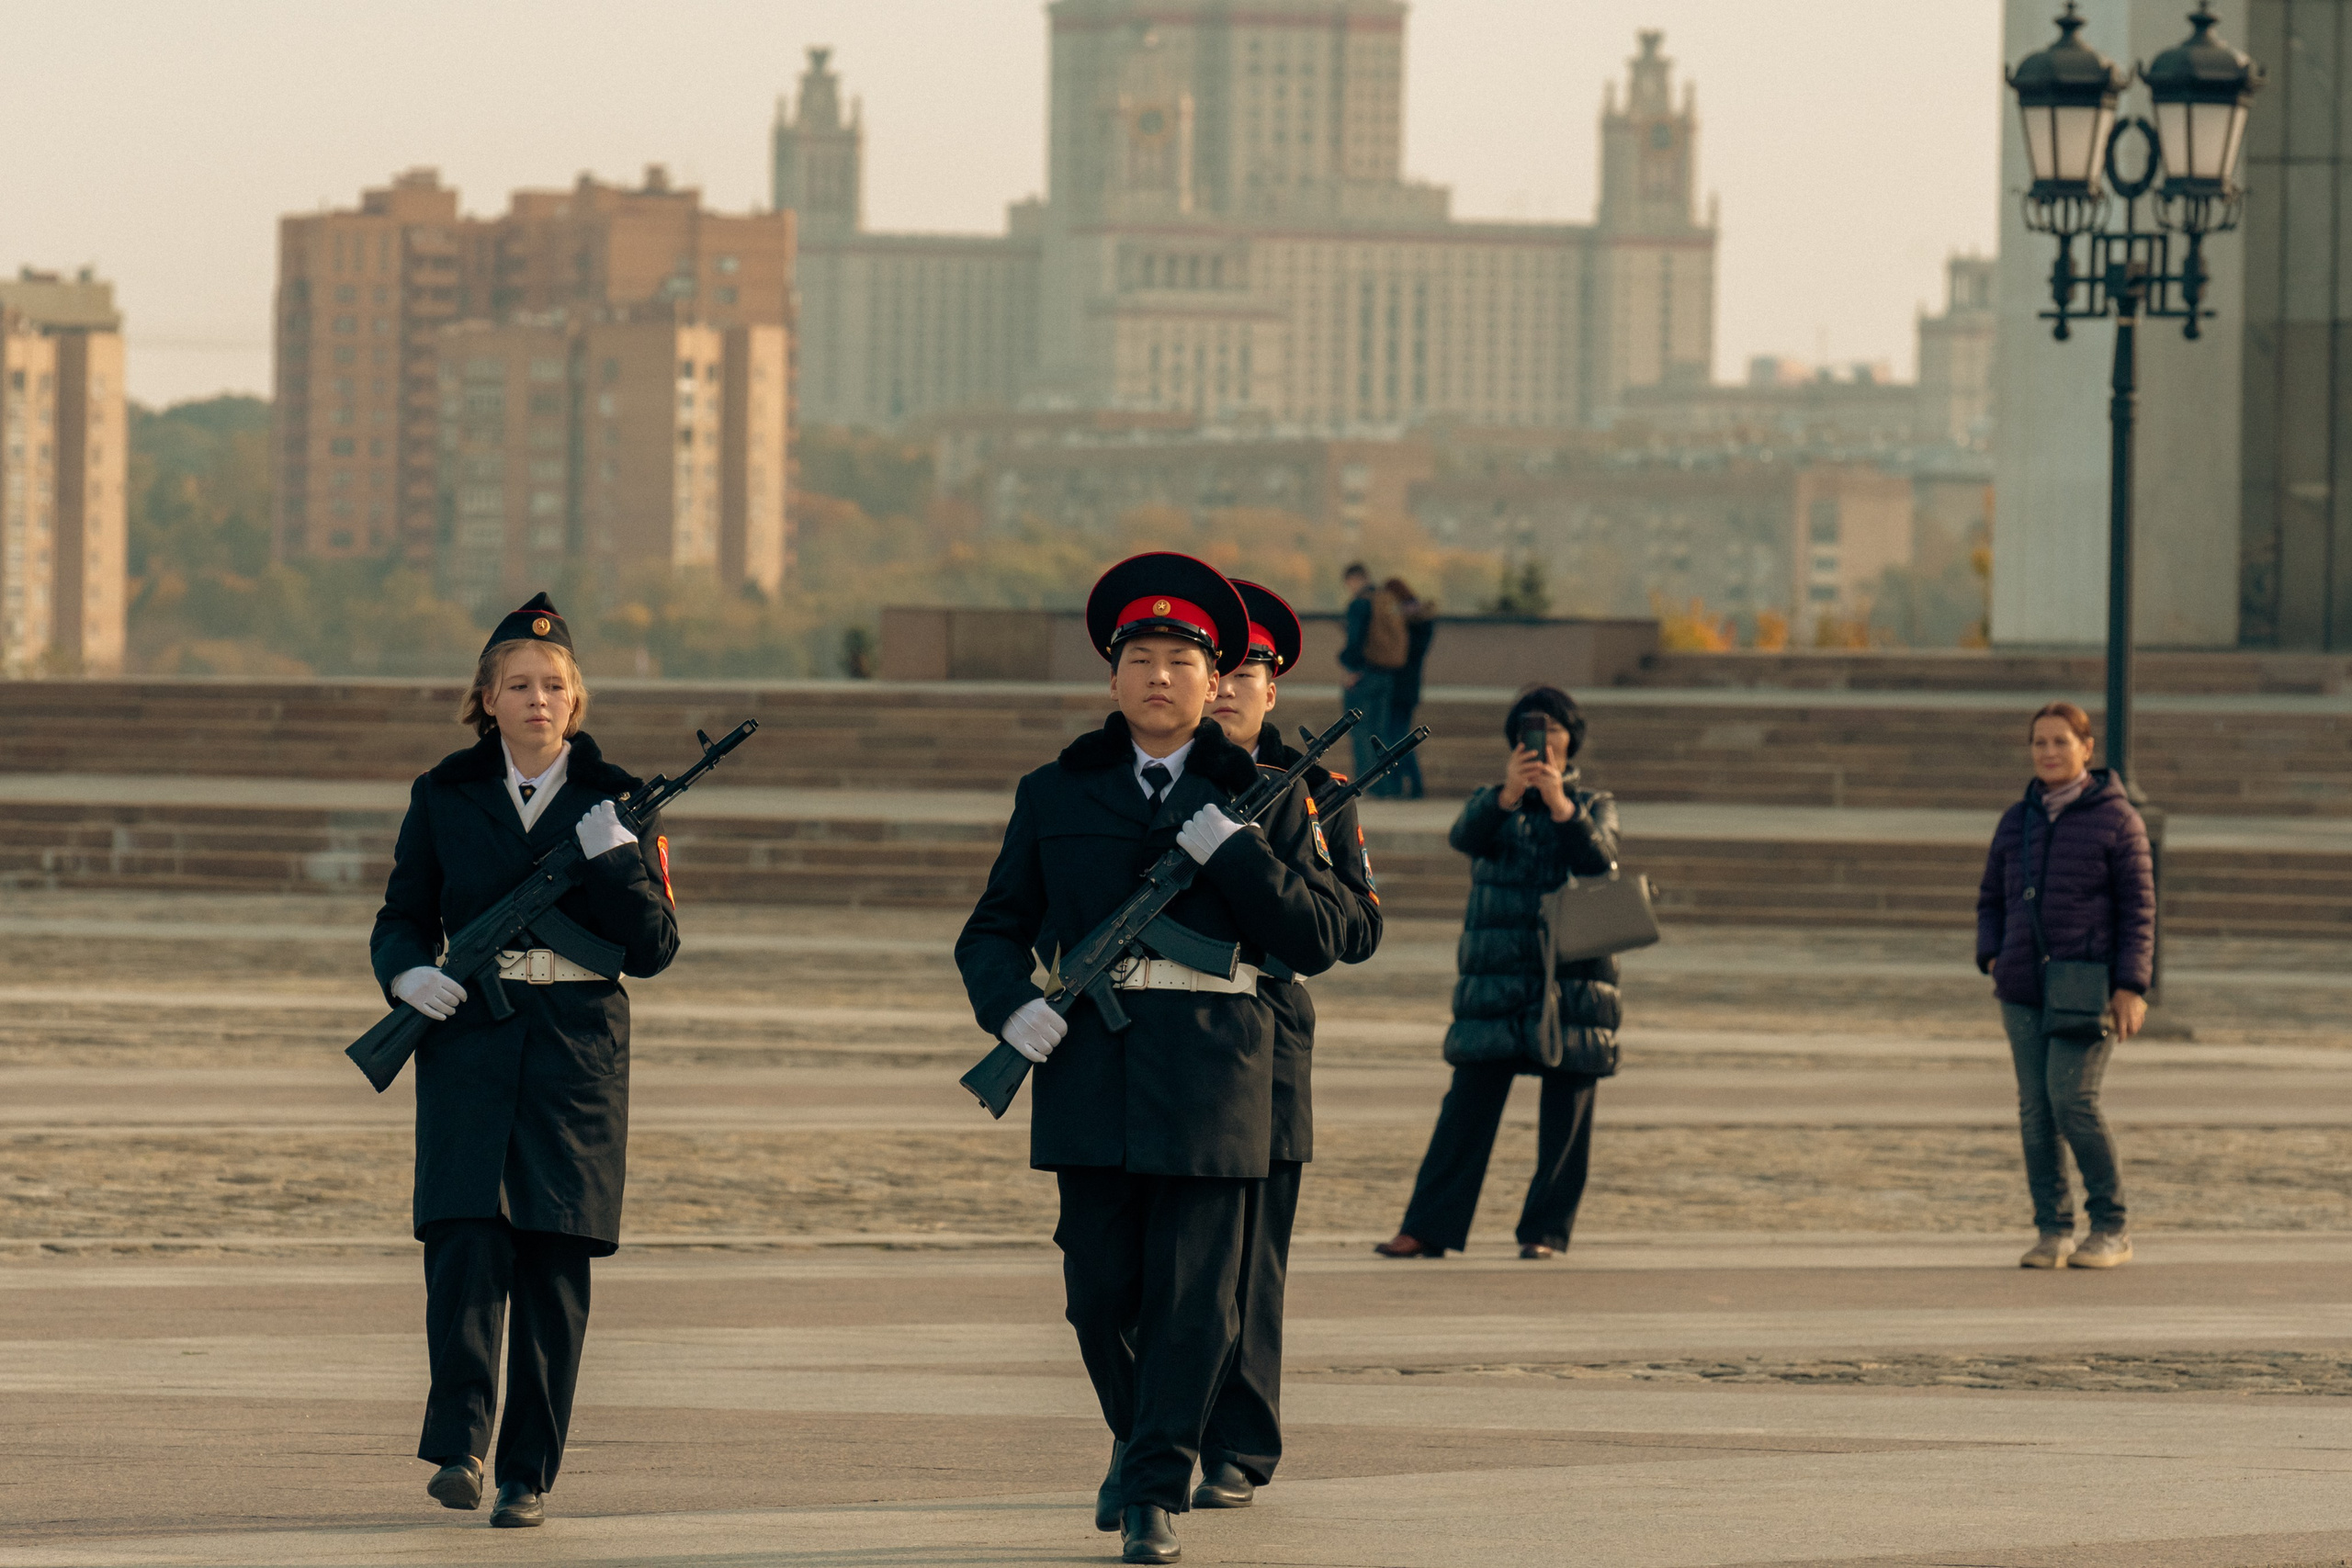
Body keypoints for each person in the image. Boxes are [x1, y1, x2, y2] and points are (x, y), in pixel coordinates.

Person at [955, 553, 1349, 1565]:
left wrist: (1242, 859)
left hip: (1218, 1074)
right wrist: (1009, 1009)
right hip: (1092, 1067)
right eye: (1141, 658)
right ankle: (1141, 1445)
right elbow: (994, 929)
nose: (1160, 676)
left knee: (1194, 1303)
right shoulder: (1055, 792)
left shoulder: (1269, 796)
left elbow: (1314, 939)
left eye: (1181, 659)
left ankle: (1152, 1490)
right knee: (1096, 1293)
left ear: (1215, 681)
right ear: (1113, 677)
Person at [370, 592, 680, 1528]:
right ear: (488, 698)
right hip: (468, 1036)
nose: (537, 698)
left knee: (552, 1260)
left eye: (554, 685)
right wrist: (406, 977)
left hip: (574, 1057)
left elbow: (657, 947)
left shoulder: (617, 802)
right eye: (519, 684)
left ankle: (526, 1473)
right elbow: (401, 914)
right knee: (465, 1242)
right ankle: (461, 1443)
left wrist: (620, 862)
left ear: (574, 702)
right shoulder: (445, 795)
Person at [1190, 579, 1385, 1510]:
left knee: (1251, 1266)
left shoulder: (1317, 794)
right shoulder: (1144, 780)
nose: (1228, 687)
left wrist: (1257, 875)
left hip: (1265, 1041)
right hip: (1156, 1044)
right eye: (1215, 669)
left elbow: (1356, 925)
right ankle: (1156, 1432)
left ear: (1274, 689)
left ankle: (1240, 1445)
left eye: (1248, 672)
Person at [1376, 685, 1621, 1260]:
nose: (1538, 745)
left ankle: (1544, 1232)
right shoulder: (1493, 801)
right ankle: (1427, 1228)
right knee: (1466, 1107)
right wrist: (1510, 794)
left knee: (1569, 1114)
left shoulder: (1594, 805)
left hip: (1575, 980)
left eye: (1551, 733)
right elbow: (1464, 838)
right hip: (1497, 978)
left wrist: (1561, 803)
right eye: (1528, 735)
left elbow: (1601, 862)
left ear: (1570, 740)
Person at [1975, 700, 2154, 1270]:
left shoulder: (2117, 819)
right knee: (2036, 1111)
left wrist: (2131, 985)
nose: (2048, 752)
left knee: (2072, 1100)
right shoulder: (2017, 818)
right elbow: (1990, 898)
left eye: (2060, 742)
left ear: (2086, 748)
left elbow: (2140, 910)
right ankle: (2053, 1229)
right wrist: (1994, 955)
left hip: (2087, 986)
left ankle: (2111, 1227)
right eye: (2039, 743)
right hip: (2023, 983)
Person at [1335, 561, 1407, 788]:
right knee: (1381, 732)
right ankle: (1387, 785)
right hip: (1388, 675)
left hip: (1365, 675)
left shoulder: (1360, 603)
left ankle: (1369, 784)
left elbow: (1355, 642)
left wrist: (1353, 669)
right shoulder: (1386, 601)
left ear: (1354, 579)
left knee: (1361, 732)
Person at [1380, 576, 1437, 799]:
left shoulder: (1410, 622)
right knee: (1399, 735)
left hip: (1400, 688)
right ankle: (1410, 785)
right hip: (1408, 688)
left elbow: (1402, 654)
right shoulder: (1420, 620)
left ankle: (1410, 785)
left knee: (1398, 737)